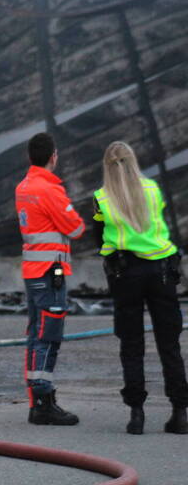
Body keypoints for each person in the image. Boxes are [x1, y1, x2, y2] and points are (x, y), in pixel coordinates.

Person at [92, 140, 187, 435]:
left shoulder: (101, 197)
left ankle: (137, 415)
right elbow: (159, 224)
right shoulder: (152, 189)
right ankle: (180, 413)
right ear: (134, 161)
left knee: (131, 345)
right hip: (162, 270)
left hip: (125, 273)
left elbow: (99, 237)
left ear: (107, 166)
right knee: (169, 344)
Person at [15, 132, 85, 425]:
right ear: (53, 156)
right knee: (49, 336)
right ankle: (43, 402)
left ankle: (37, 400)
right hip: (50, 274)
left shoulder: (24, 187)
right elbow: (76, 228)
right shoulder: (50, 190)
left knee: (36, 335)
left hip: (34, 272)